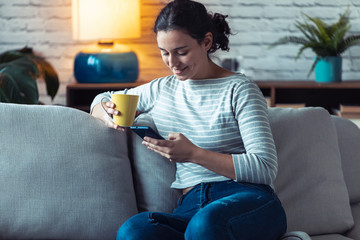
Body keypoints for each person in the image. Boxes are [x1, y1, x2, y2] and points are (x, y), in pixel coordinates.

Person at [90, 0, 287, 239]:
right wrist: (109, 114)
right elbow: (101, 99)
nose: (172, 63)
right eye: (164, 53)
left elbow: (265, 168)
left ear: (206, 42)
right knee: (135, 230)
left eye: (181, 52)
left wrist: (194, 154)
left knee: (205, 224)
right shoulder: (160, 90)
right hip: (192, 205)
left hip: (248, 200)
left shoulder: (240, 89)